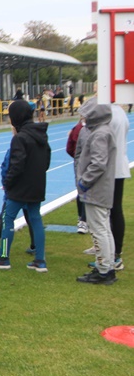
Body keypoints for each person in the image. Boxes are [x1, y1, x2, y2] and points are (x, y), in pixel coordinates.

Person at [0, 100, 51, 272]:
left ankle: (3, 257)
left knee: (7, 218)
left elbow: (16, 165)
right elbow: (46, 161)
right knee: (35, 219)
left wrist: (8, 183)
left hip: (19, 187)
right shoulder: (41, 135)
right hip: (37, 185)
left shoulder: (20, 138)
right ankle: (40, 260)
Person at [75, 99, 118, 284]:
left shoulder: (99, 134)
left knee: (99, 229)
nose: (83, 118)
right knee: (104, 228)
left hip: (96, 189)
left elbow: (98, 163)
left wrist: (85, 182)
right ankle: (107, 266)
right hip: (101, 188)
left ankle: (103, 270)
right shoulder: (103, 131)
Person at [105, 103, 129, 270]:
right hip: (118, 165)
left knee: (109, 211)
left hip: (109, 167)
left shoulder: (108, 113)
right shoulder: (120, 112)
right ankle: (110, 250)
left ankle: (114, 254)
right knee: (113, 210)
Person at [66, 119, 88, 234]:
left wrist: (77, 158)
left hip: (80, 163)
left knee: (81, 190)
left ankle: (82, 219)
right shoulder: (80, 129)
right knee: (86, 191)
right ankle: (83, 220)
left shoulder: (77, 128)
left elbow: (69, 148)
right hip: (88, 163)